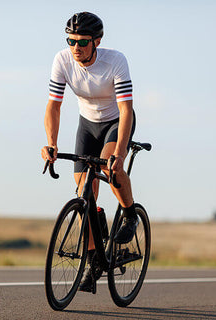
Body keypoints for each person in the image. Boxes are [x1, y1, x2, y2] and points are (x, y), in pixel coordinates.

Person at [41, 12, 138, 293]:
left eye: (82, 42)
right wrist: (51, 143)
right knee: (85, 191)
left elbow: (126, 109)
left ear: (97, 41)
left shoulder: (115, 61)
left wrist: (119, 153)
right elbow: (53, 106)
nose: (76, 47)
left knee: (110, 168)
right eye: (70, 40)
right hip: (87, 124)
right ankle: (96, 258)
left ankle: (130, 214)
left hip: (116, 122)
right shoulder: (62, 60)